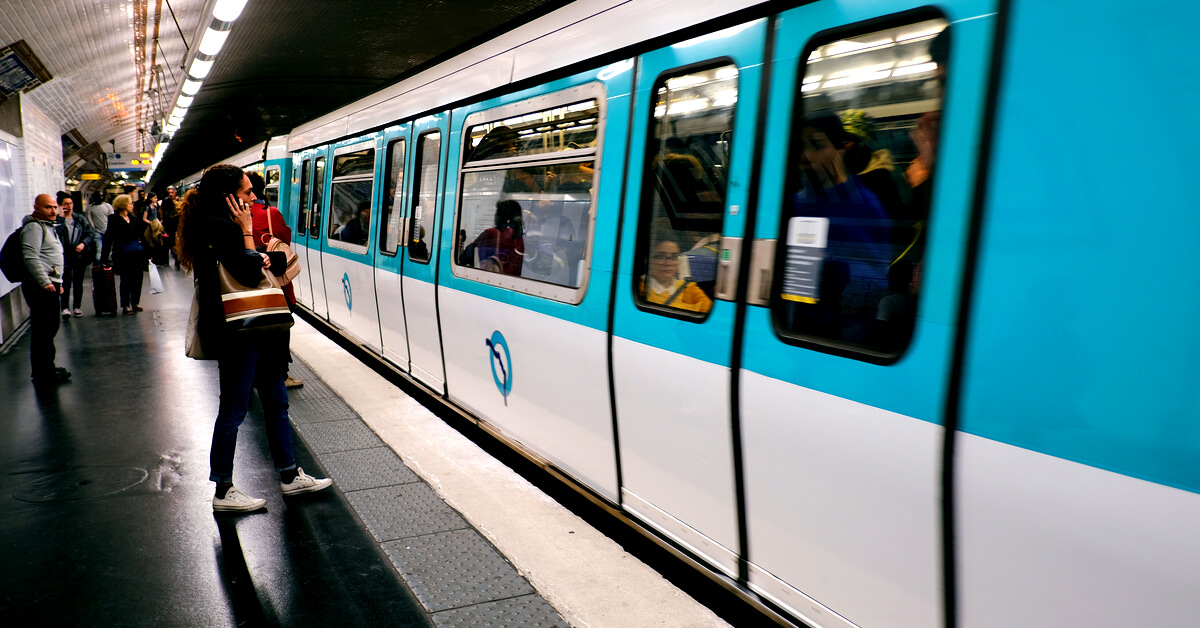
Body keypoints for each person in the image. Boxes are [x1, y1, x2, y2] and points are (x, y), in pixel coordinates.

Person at [176, 163, 331, 512]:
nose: (253, 197)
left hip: (256, 327)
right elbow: (248, 267)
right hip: (237, 330)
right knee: (234, 408)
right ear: (229, 196)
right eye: (247, 192)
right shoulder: (217, 226)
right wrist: (248, 233)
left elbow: (259, 261)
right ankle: (223, 489)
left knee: (277, 400)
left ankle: (290, 476)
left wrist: (259, 254)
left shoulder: (219, 225)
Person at [247, 171, 303, 389]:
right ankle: (282, 375)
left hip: (246, 285)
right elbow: (284, 241)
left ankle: (251, 373)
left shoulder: (231, 215)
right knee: (280, 330)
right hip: (274, 284)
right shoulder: (270, 213)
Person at [20, 194, 71, 384]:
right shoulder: (34, 227)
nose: (53, 211)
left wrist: (58, 282)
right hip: (41, 286)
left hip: (51, 283)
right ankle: (43, 372)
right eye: (48, 207)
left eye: (54, 207)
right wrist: (45, 282)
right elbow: (30, 256)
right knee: (43, 330)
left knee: (49, 328)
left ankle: (47, 367)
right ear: (37, 208)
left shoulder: (48, 227)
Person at [101, 194, 148, 314]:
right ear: (123, 205)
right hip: (123, 254)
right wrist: (104, 258)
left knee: (138, 278)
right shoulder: (114, 219)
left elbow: (141, 236)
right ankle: (126, 305)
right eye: (130, 203)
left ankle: (135, 302)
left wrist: (147, 252)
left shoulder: (133, 218)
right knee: (126, 279)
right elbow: (108, 238)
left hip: (137, 253)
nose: (132, 205)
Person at [639, 239, 712, 313]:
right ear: (647, 259)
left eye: (674, 257)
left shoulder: (688, 288)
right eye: (660, 256)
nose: (668, 263)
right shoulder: (640, 288)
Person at [458, 199, 524, 276]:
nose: (495, 215)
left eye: (497, 212)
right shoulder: (519, 237)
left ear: (501, 216)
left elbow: (466, 256)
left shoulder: (491, 233)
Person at [54, 191, 93, 318]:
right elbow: (56, 234)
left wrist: (83, 243)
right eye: (65, 204)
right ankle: (64, 307)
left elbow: (89, 233)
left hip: (78, 253)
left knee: (78, 281)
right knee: (65, 282)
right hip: (64, 254)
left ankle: (77, 306)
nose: (69, 206)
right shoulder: (57, 220)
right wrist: (60, 217)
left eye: (70, 203)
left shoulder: (79, 218)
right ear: (60, 205)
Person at [86, 191, 114, 264]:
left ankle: (106, 265)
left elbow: (112, 218)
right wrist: (93, 229)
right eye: (98, 196)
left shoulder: (107, 206)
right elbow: (89, 219)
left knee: (109, 250)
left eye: (101, 196)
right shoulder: (90, 208)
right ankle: (99, 267)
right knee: (99, 251)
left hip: (108, 232)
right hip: (97, 232)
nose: (100, 197)